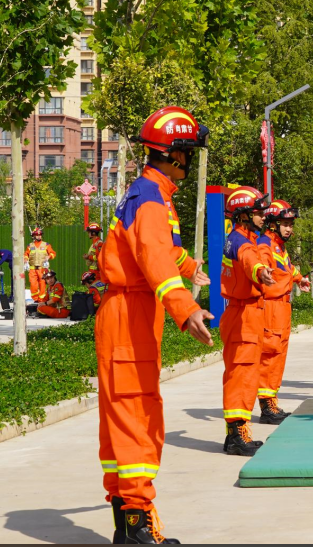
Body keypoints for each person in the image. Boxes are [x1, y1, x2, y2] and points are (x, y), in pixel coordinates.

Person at [96, 106, 212, 544]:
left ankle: (126, 522)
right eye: (189, 154)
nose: (190, 163)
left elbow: (161, 251)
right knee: (135, 416)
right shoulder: (150, 198)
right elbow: (153, 257)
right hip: (130, 314)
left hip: (130, 313)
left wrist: (189, 266)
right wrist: (186, 308)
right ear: (175, 154)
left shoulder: (150, 194)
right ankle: (137, 522)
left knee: (127, 414)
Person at [220, 186, 275, 454]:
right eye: (257, 212)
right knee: (240, 375)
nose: (263, 216)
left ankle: (236, 433)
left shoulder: (242, 238)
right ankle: (236, 435)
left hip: (246, 313)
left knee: (245, 374)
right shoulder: (241, 242)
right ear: (242, 214)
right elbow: (249, 260)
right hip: (243, 315)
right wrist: (260, 271)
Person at [255, 200, 310, 425]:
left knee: (278, 356)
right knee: (270, 356)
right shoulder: (264, 245)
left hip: (282, 307)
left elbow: (286, 268)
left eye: (290, 224)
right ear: (272, 223)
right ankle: (266, 405)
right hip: (271, 306)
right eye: (284, 224)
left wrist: (299, 278)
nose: (289, 228)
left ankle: (272, 401)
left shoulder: (278, 246)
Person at [24, 228, 56, 303]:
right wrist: (25, 259)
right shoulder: (30, 246)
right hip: (32, 269)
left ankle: (42, 300)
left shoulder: (46, 245)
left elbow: (53, 253)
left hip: (42, 269)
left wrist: (49, 256)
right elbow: (26, 254)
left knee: (42, 285)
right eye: (37, 235)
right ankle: (35, 299)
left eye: (40, 235)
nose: (39, 236)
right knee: (33, 285)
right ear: (34, 236)